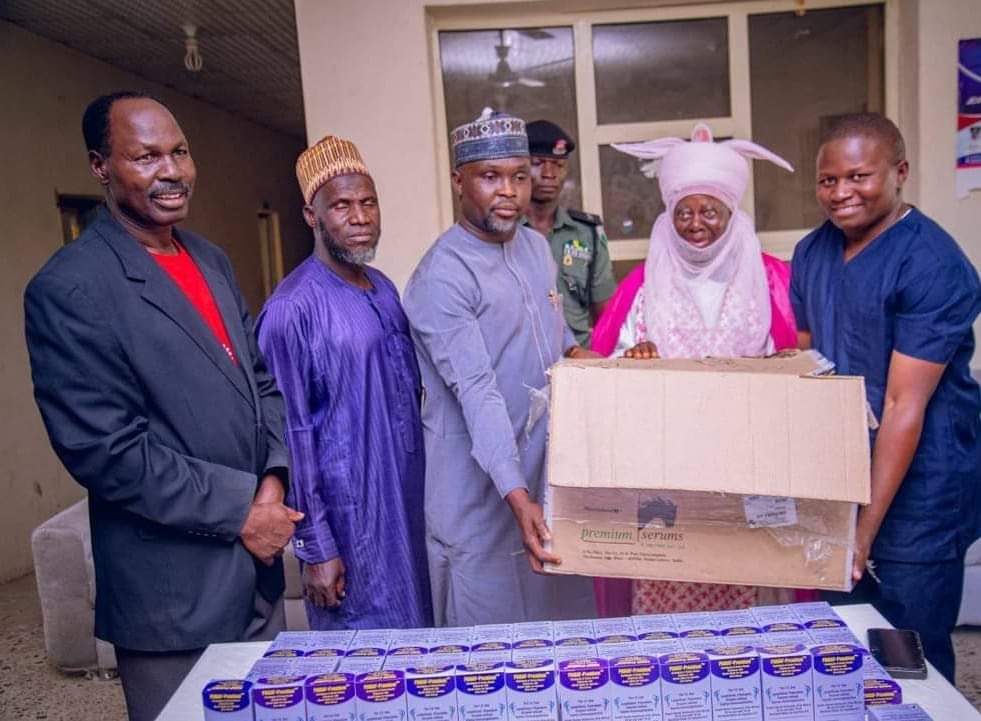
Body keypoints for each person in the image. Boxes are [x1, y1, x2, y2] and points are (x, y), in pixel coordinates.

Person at [24, 91, 299, 721]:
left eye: (179, 152)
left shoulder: (210, 259)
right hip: (173, 598)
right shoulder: (69, 288)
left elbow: (261, 385)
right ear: (100, 166)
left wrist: (273, 481)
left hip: (254, 578)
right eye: (146, 157)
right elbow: (107, 450)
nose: (172, 171)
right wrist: (242, 511)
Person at [791, 113, 980, 683]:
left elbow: (903, 406)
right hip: (841, 475)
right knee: (847, 642)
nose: (841, 193)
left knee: (910, 652)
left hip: (924, 486)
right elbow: (808, 366)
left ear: (900, 172)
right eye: (828, 180)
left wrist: (864, 530)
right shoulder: (811, 253)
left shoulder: (932, 263)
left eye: (859, 176)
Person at [590, 122, 799, 616]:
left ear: (731, 213)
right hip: (669, 470)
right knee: (670, 582)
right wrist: (634, 358)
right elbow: (607, 370)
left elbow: (795, 363)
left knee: (746, 584)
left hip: (748, 466)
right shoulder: (643, 285)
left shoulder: (771, 278)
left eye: (710, 211)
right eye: (683, 211)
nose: (695, 223)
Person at [403, 108, 598, 626]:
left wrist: (599, 366)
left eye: (519, 176)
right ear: (458, 182)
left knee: (562, 640)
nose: (509, 191)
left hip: (542, 480)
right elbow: (477, 391)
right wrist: (518, 496)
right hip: (478, 496)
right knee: (489, 651)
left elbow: (556, 336)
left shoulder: (534, 248)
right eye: (490, 177)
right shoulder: (442, 277)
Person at [257, 135, 432, 630]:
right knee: (365, 657)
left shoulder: (384, 287)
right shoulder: (291, 309)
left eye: (368, 203)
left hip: (405, 507)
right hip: (352, 524)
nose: (359, 217)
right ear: (311, 216)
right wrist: (316, 546)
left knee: (418, 646)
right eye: (341, 206)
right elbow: (288, 434)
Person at [522, 120, 617, 347]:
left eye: (558, 165)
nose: (549, 174)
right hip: (523, 361)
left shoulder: (587, 233)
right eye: (537, 163)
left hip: (580, 359)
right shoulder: (503, 233)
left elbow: (607, 316)